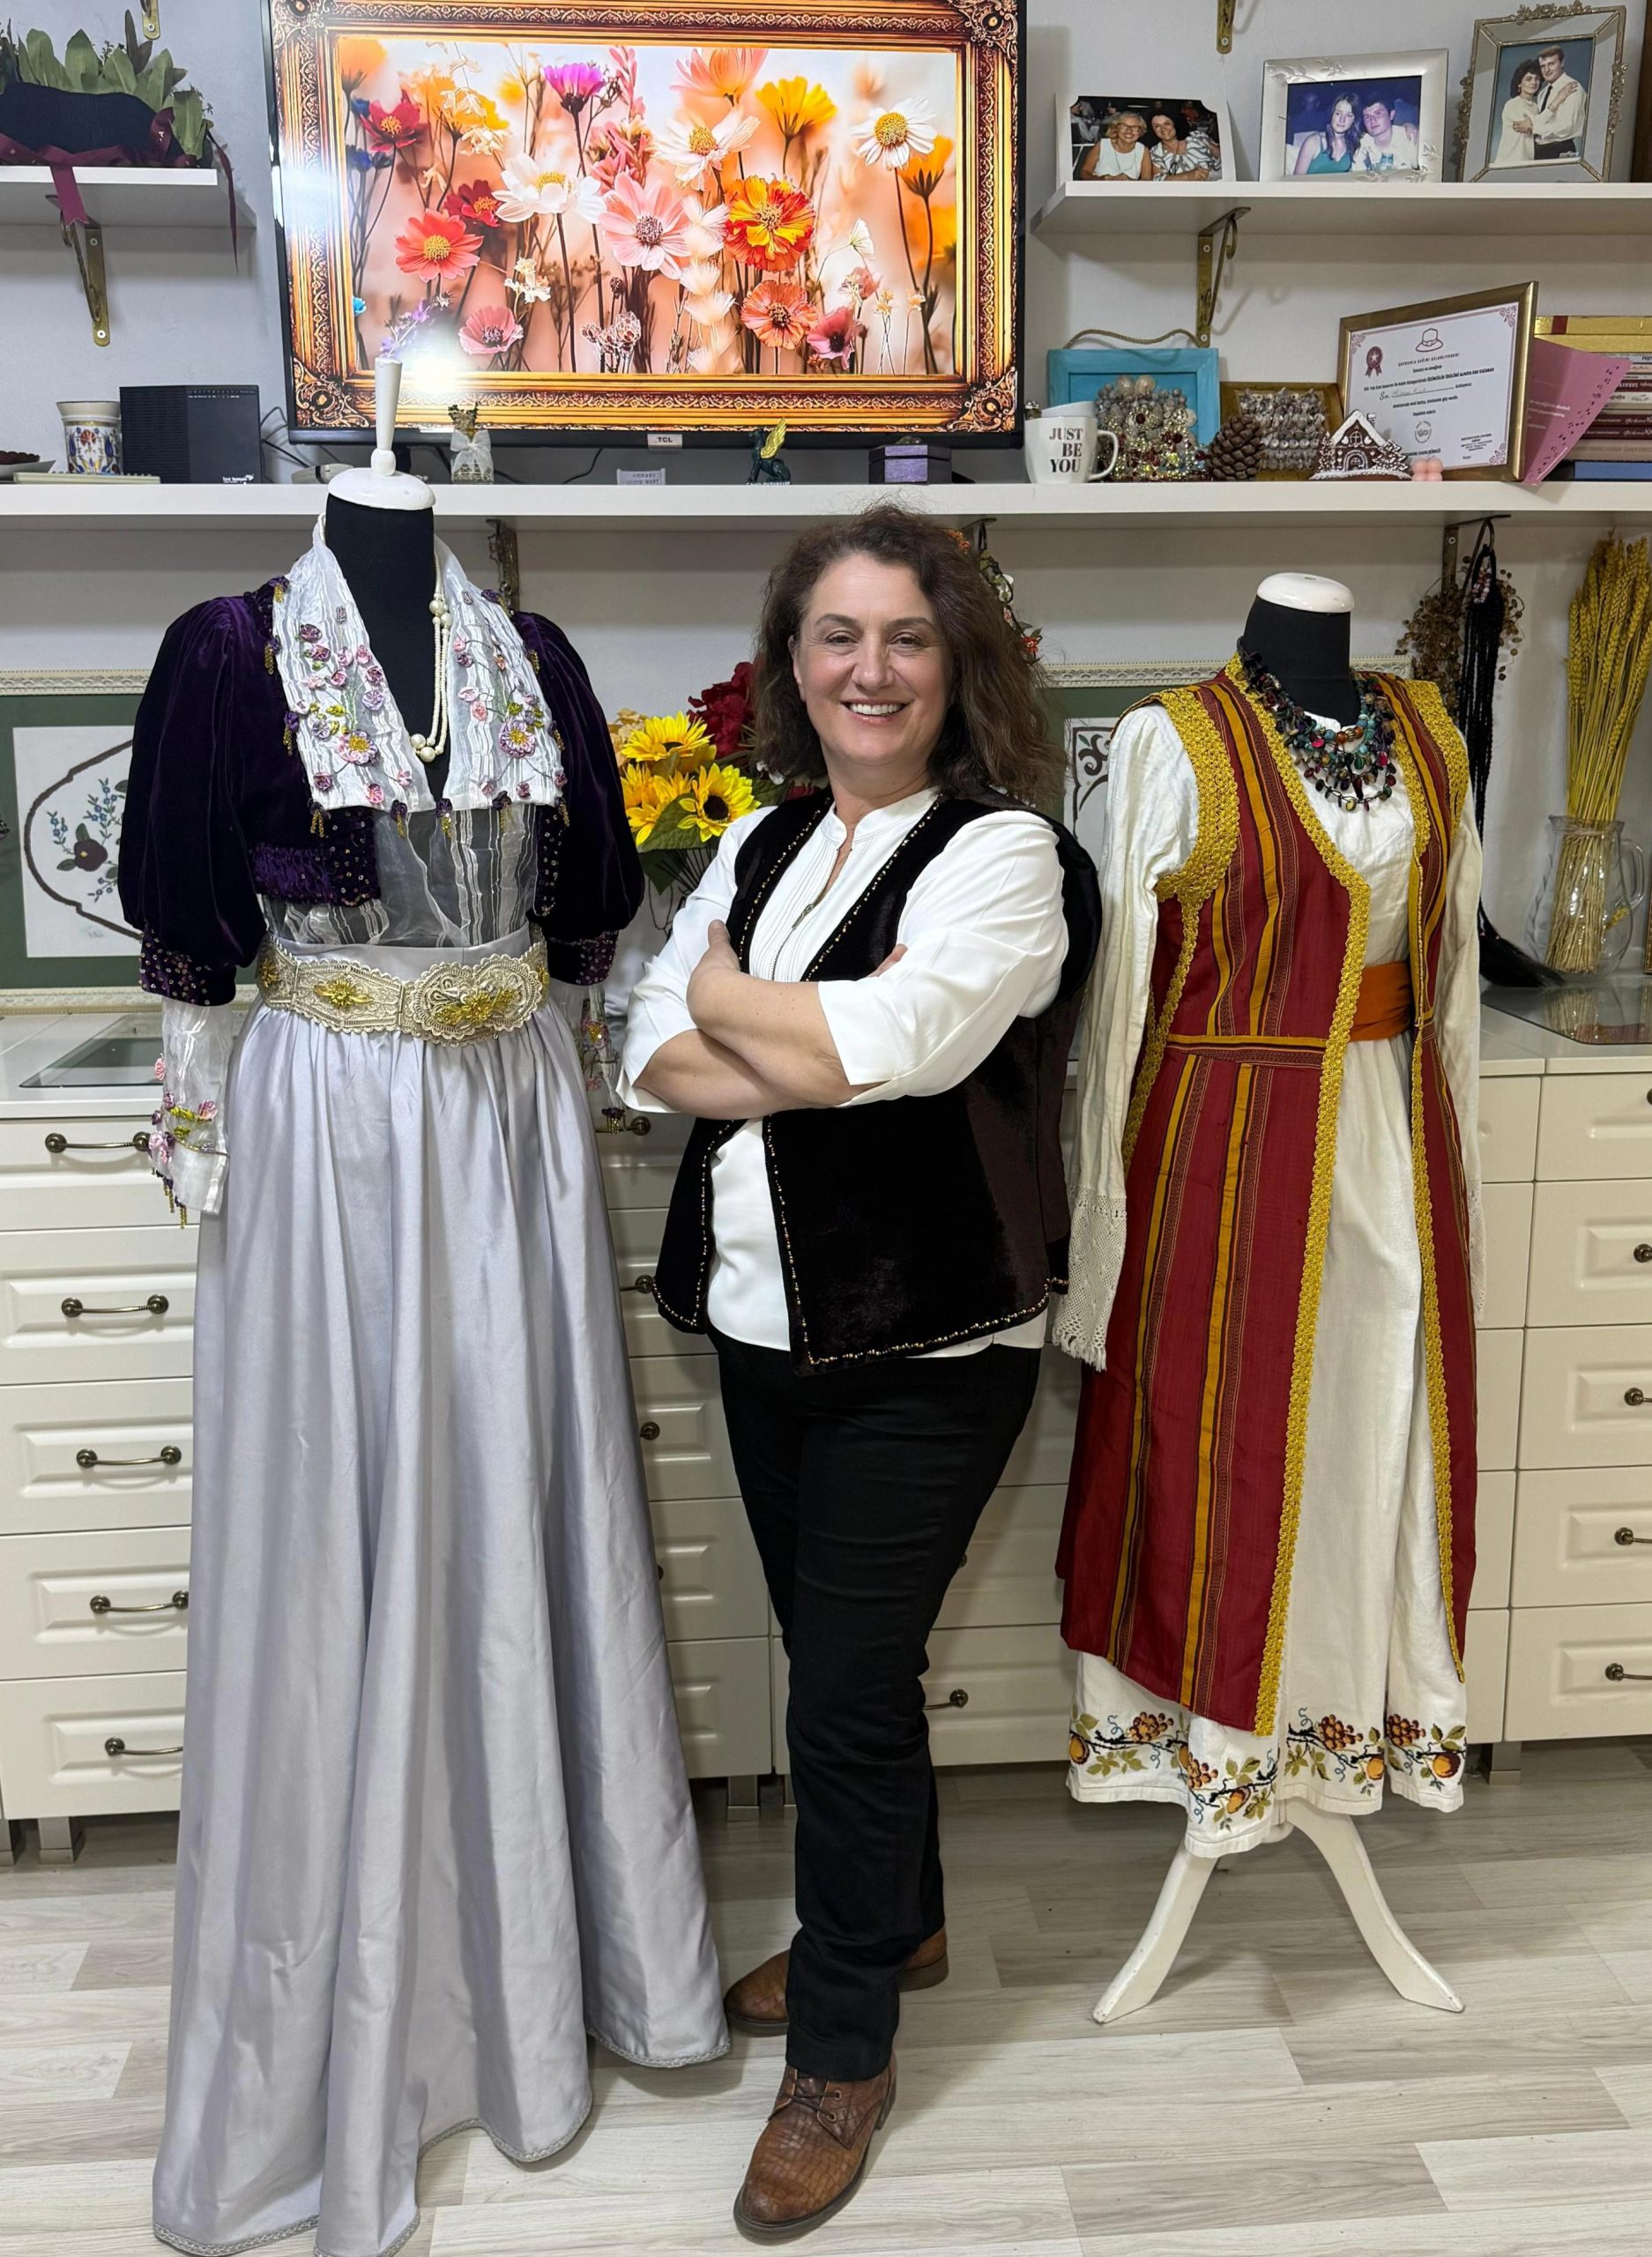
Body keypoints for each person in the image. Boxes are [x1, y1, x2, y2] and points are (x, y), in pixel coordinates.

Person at [121, 483, 727, 2257]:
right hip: (329, 1122)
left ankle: (545, 1966)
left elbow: (590, 902)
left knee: (519, 1508)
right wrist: (197, 1116)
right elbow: (188, 928)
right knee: (338, 1513)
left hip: (511, 1116)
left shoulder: (530, 657)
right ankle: (342, 1991)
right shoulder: (227, 654)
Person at [620, 504, 1099, 2238]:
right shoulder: (756, 836)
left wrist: (735, 999)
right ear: (793, 661)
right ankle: (895, 1923)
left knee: (833, 1692)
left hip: (929, 1339)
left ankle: (842, 2052)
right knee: (853, 1668)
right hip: (764, 1325)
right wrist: (784, 1031)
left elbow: (900, 1043)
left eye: (904, 635)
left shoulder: (1007, 856)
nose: (869, 668)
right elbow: (643, 1042)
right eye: (837, 634)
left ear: (955, 663)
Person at [1533, 43, 1587, 160]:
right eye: (1543, 66)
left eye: (1551, 64)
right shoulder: (1542, 93)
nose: (1547, 70)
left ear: (1562, 63)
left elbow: (1568, 127)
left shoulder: (1573, 88)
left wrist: (1535, 128)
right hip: (1539, 151)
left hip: (1561, 149)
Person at [1492, 59, 1544, 166]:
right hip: (1509, 161)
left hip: (1527, 162)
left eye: (1537, 79)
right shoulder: (1513, 104)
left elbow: (1535, 128)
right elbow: (1528, 126)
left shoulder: (1536, 107)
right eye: (1529, 79)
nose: (1534, 82)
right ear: (1519, 83)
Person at [1293, 92, 1360, 175]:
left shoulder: (1352, 144)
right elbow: (1296, 180)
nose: (1342, 120)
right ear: (1331, 114)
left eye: (1349, 115)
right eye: (1338, 113)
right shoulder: (1313, 142)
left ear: (1354, 120)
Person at [1353, 93, 1421, 172]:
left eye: (1378, 113)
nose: (1372, 120)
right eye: (1367, 117)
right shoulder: (1360, 146)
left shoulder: (1410, 138)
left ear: (1391, 115)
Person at [1079, 108, 1154, 180]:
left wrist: (1131, 182)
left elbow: (1147, 180)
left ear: (1140, 132)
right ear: (1116, 128)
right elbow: (1084, 173)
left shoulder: (1143, 150)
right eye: (1124, 126)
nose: (1129, 131)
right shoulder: (1102, 145)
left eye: (1135, 127)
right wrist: (1102, 179)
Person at [1149, 106, 1217, 179]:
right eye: (1157, 126)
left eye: (1167, 124)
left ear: (1175, 123)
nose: (1163, 129)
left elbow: (1223, 162)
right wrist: (1188, 176)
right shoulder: (1155, 152)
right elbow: (1159, 180)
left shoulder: (1197, 137)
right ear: (1153, 130)